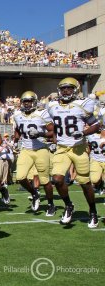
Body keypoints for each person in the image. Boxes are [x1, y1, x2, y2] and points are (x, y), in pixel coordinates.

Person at [48, 77, 100, 228]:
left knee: (84, 183)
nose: (66, 90)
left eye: (69, 88)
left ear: (75, 90)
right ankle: (69, 205)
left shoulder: (82, 105)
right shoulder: (52, 106)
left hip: (78, 148)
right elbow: (56, 127)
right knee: (57, 179)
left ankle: (93, 211)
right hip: (62, 149)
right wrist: (55, 140)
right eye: (63, 88)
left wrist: (83, 133)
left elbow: (96, 126)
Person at [13, 91, 55, 216]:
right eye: (25, 101)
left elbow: (53, 132)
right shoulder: (17, 115)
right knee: (20, 177)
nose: (26, 104)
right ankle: (34, 193)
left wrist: (40, 134)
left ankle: (50, 204)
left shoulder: (42, 113)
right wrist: (15, 141)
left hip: (41, 148)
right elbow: (17, 130)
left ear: (34, 102)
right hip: (26, 149)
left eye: (29, 101)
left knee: (44, 180)